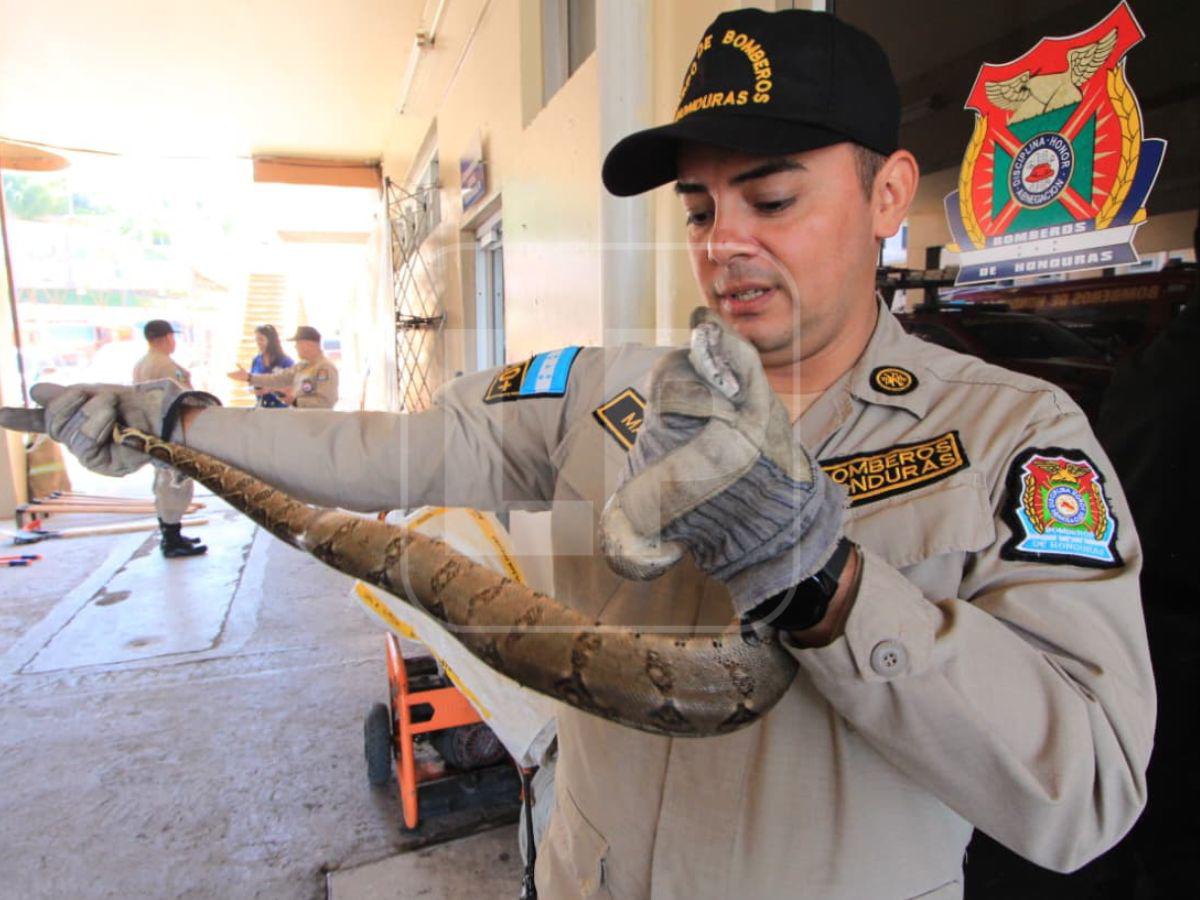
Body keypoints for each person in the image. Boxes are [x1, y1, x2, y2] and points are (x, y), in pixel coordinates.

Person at [1, 10, 1154, 898]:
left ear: (888, 193)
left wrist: (831, 589)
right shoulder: (607, 394)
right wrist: (182, 425)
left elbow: (1088, 794)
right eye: (701, 210)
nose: (727, 244)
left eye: (773, 196)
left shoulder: (1011, 438)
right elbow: (396, 451)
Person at [132, 319, 206, 558]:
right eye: (172, 337)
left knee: (163, 481)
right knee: (176, 482)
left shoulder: (142, 364)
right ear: (165, 338)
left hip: (156, 431)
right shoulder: (164, 365)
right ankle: (172, 539)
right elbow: (184, 397)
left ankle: (171, 533)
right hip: (172, 431)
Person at [227, 325, 338, 409]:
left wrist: (295, 401)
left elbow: (326, 402)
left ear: (309, 345)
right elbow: (278, 378)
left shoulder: (325, 368)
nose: (295, 347)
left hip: (317, 427)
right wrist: (250, 378)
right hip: (300, 421)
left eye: (298, 343)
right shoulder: (301, 366)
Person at [248, 324, 294, 408]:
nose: (258, 343)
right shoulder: (256, 360)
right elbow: (250, 384)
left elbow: (293, 387)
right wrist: (255, 390)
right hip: (261, 408)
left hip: (281, 409)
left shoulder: (286, 361)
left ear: (271, 341)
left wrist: (271, 389)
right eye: (257, 339)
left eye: (261, 339)